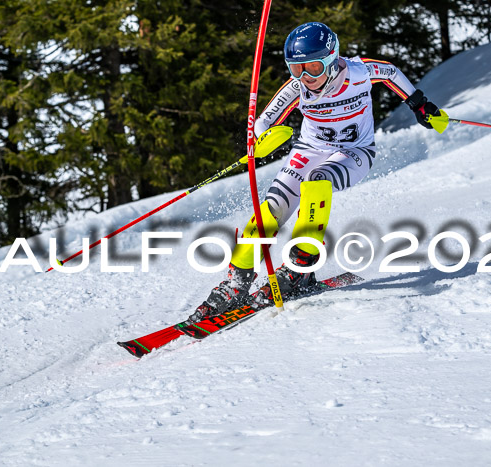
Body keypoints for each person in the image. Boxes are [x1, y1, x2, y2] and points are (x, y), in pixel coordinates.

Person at [188, 21, 440, 323]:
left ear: (332, 60)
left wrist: (419, 104)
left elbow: (391, 72)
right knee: (270, 209)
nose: (305, 78)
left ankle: (299, 268)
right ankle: (237, 282)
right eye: (296, 69)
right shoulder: (297, 89)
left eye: (313, 68)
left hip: (355, 153)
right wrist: (260, 137)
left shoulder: (359, 72)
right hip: (309, 149)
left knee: (317, 181)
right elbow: (264, 122)